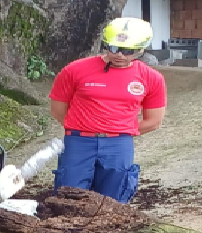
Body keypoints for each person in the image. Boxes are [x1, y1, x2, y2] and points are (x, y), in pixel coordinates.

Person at [48, 17, 167, 204]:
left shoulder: (152, 78)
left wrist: (119, 130)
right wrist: (83, 127)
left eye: (127, 51)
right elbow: (57, 108)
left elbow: (154, 120)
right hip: (78, 140)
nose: (119, 55)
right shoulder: (75, 70)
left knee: (113, 201)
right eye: (112, 48)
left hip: (119, 144)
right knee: (68, 197)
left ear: (141, 49)